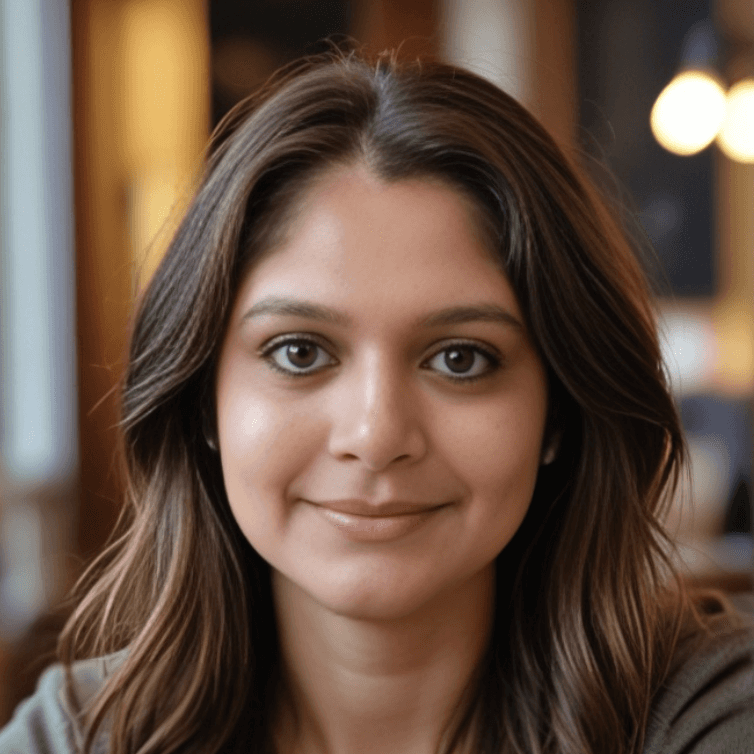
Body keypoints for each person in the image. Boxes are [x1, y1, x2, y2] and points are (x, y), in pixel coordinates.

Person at [1, 49, 753, 754]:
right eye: (299, 352)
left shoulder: (706, 716)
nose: (376, 434)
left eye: (460, 359)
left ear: (558, 410)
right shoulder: (81, 735)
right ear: (204, 401)